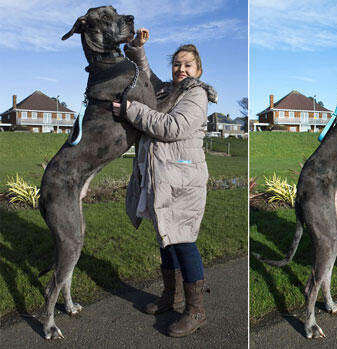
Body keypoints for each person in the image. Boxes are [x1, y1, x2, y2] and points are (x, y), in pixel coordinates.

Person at [112, 28, 216, 337]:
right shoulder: (167, 92)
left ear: (198, 70)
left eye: (187, 65)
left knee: (183, 240)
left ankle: (196, 311)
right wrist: (138, 49)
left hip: (183, 180)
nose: (181, 69)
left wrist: (131, 110)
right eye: (176, 64)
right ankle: (172, 296)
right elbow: (147, 78)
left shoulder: (196, 95)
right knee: (165, 237)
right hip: (161, 180)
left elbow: (172, 127)